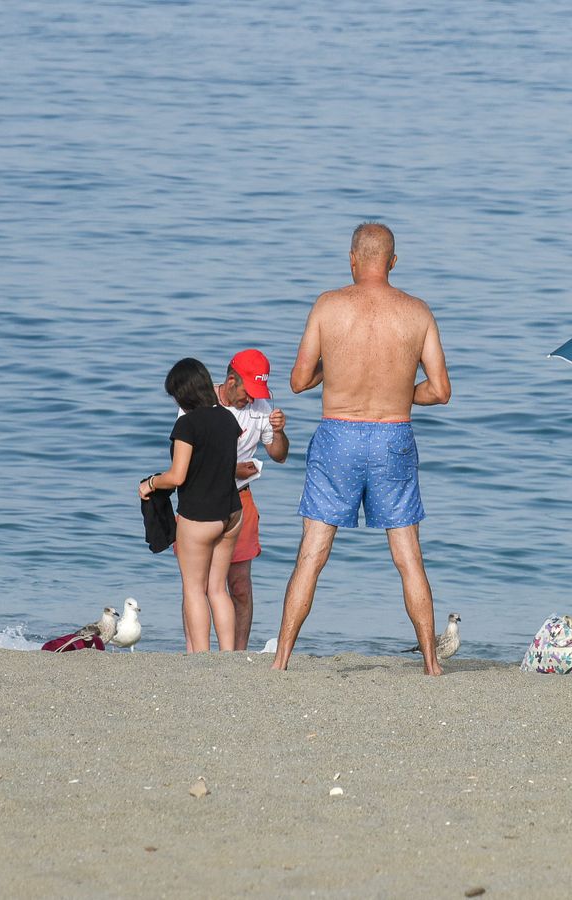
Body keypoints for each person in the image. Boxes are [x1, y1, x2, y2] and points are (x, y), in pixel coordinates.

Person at [271, 223, 452, 675]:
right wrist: (398, 390)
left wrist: (333, 372)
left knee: (312, 552)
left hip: (338, 434)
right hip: (393, 435)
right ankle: (431, 663)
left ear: (352, 259)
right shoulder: (417, 311)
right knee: (408, 555)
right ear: (392, 262)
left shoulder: (328, 306)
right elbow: (441, 390)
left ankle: (280, 661)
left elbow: (297, 381)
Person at [140, 358, 242, 653]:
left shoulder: (187, 425)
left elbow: (177, 476)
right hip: (232, 513)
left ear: (183, 393)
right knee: (217, 588)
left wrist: (150, 484)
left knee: (194, 590)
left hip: (199, 517)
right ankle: (229, 655)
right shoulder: (228, 419)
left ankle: (200, 656)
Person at [214, 350, 290, 651]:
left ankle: (237, 653)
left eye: (258, 393)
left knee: (241, 586)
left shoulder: (262, 407)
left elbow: (280, 455)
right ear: (231, 381)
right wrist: (229, 468)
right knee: (202, 585)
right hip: (203, 497)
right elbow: (186, 457)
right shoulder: (202, 401)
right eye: (248, 392)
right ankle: (199, 653)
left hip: (241, 498)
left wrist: (280, 432)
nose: (251, 399)